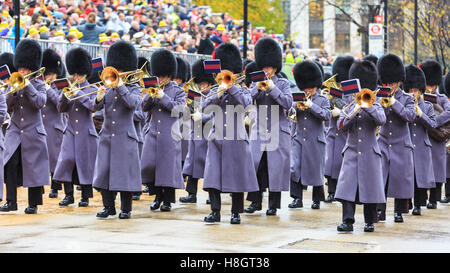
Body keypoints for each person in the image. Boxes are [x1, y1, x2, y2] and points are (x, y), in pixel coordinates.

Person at [202, 43, 259, 224]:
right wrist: (218, 92)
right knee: (213, 177)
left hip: (236, 139)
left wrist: (231, 87)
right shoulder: (215, 90)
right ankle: (215, 211)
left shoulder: (242, 90)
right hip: (216, 137)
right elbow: (204, 107)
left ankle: (236, 212)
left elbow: (246, 104)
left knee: (237, 178)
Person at [93, 41, 142, 219]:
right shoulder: (108, 87)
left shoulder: (134, 87)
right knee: (104, 172)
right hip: (107, 135)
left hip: (125, 136)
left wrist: (120, 85)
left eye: (121, 69)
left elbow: (132, 104)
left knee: (124, 174)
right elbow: (95, 109)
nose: (118, 72)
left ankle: (126, 209)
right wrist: (98, 97)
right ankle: (108, 207)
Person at [335, 60, 386, 232]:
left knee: (370, 188)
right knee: (347, 188)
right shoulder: (350, 101)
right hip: (351, 150)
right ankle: (347, 221)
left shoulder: (375, 101)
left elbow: (381, 119)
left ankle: (369, 221)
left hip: (370, 151)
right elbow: (340, 125)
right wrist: (356, 108)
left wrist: (367, 105)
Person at [0, 39, 50, 214]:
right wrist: (12, 91)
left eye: (24, 68)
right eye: (20, 68)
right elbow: (6, 105)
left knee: (33, 167)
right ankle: (11, 201)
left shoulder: (39, 84)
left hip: (33, 130)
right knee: (10, 164)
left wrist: (27, 86)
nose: (21, 71)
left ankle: (33, 204)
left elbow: (39, 103)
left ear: (31, 68)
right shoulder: (14, 83)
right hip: (15, 129)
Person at [245, 37, 292, 216]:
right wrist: (257, 88)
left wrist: (273, 89)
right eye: (264, 66)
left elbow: (288, 103)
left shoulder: (283, 83)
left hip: (277, 131)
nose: (266, 70)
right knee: (257, 167)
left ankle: (273, 204)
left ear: (275, 66)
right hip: (259, 130)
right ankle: (255, 201)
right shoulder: (256, 82)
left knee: (275, 169)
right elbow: (247, 100)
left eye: (269, 67)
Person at [141, 48, 185, 212]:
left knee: (167, 169)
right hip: (152, 132)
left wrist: (163, 97)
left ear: (169, 74)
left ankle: (166, 200)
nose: (161, 78)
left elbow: (179, 110)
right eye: (158, 75)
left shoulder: (178, 91)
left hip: (169, 134)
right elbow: (144, 107)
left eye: (163, 75)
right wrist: (150, 95)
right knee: (149, 165)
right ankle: (157, 195)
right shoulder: (153, 87)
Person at [53, 48, 98, 208]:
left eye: (79, 74)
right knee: (67, 160)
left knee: (85, 164)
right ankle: (69, 195)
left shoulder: (93, 89)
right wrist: (65, 95)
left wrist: (80, 94)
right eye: (75, 74)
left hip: (86, 131)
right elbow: (60, 108)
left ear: (85, 73)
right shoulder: (69, 87)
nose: (76, 76)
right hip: (70, 130)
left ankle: (85, 196)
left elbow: (93, 106)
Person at [376, 53, 416, 223]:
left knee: (400, 179)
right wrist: (384, 102)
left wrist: (394, 103)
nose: (390, 85)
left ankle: (399, 211)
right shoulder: (380, 95)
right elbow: (379, 118)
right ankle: (380, 211)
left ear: (399, 81)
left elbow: (410, 116)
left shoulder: (407, 98)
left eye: (393, 82)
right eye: (388, 82)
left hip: (401, 142)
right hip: (384, 141)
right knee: (381, 178)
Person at [289, 61, 330, 210]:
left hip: (315, 140)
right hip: (299, 138)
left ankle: (317, 199)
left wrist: (311, 106)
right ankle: (296, 198)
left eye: (310, 87)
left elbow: (326, 115)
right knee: (295, 169)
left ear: (316, 86)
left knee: (316, 170)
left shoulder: (323, 99)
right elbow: (292, 115)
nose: (307, 90)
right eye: (305, 87)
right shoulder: (299, 98)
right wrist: (295, 106)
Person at [180, 59, 215, 204]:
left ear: (210, 84)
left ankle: (211, 195)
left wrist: (203, 117)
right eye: (199, 84)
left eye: (203, 84)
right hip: (196, 134)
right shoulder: (195, 94)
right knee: (191, 166)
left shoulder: (214, 94)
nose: (201, 87)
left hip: (208, 134)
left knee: (209, 167)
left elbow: (215, 114)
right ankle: (191, 194)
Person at [403, 64, 436, 216]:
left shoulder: (428, 106)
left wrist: (421, 114)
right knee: (407, 176)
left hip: (421, 145)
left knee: (418, 178)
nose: (412, 93)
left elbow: (432, 124)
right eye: (410, 90)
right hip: (408, 144)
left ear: (421, 91)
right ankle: (406, 203)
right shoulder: (405, 104)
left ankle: (417, 204)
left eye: (415, 90)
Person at [420, 60, 450, 209]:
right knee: (423, 169)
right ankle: (422, 197)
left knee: (437, 170)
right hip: (423, 137)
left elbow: (449, 112)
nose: (429, 87)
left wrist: (433, 121)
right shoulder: (420, 97)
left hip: (437, 138)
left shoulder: (442, 98)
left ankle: (434, 198)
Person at [324, 56, 354, 203]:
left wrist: (340, 110)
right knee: (329, 165)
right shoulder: (332, 90)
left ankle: (341, 192)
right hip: (332, 132)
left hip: (345, 133)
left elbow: (351, 109)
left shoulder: (352, 93)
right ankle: (330, 191)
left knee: (340, 165)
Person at [41, 49, 66, 199]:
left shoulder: (61, 85)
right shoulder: (40, 84)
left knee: (55, 158)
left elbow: (59, 103)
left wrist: (49, 89)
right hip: (42, 125)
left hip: (55, 125)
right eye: (47, 73)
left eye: (50, 73)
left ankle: (56, 186)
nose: (48, 76)